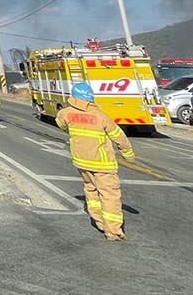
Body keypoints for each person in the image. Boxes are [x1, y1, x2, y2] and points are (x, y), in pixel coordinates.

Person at [55, 82, 135, 242]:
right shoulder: (100, 116)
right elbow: (118, 136)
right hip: (103, 164)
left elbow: (61, 124)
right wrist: (128, 154)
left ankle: (99, 222)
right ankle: (113, 231)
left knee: (91, 191)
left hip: (82, 162)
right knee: (110, 196)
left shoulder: (66, 113)